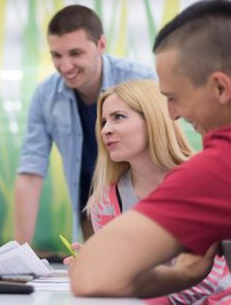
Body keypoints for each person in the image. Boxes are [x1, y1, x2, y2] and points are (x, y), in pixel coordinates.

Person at [70, 0, 231, 299]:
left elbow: (91, 275)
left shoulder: (214, 171)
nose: (172, 114)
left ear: (220, 88)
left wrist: (183, 274)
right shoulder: (106, 199)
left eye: (175, 97)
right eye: (104, 121)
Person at [64, 80, 230, 304]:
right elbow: (122, 274)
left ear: (153, 119)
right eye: (103, 122)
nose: (105, 130)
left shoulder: (204, 180)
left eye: (118, 117)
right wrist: (97, 264)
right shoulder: (104, 202)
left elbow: (207, 276)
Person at [14, 4, 156, 245]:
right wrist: (18, 252)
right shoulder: (45, 95)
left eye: (75, 53)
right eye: (56, 56)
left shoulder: (142, 80)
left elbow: (164, 147)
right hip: (92, 210)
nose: (65, 66)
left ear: (101, 44)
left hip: (144, 205)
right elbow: (30, 173)